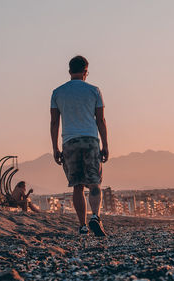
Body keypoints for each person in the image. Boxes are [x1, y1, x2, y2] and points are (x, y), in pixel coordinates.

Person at [50, 55, 109, 237]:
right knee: (95, 183)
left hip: (69, 141)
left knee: (77, 185)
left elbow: (54, 123)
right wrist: (105, 144)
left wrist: (55, 148)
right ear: (85, 71)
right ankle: (95, 216)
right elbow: (100, 119)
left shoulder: (57, 92)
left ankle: (83, 226)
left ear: (69, 71)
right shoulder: (94, 91)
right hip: (90, 140)